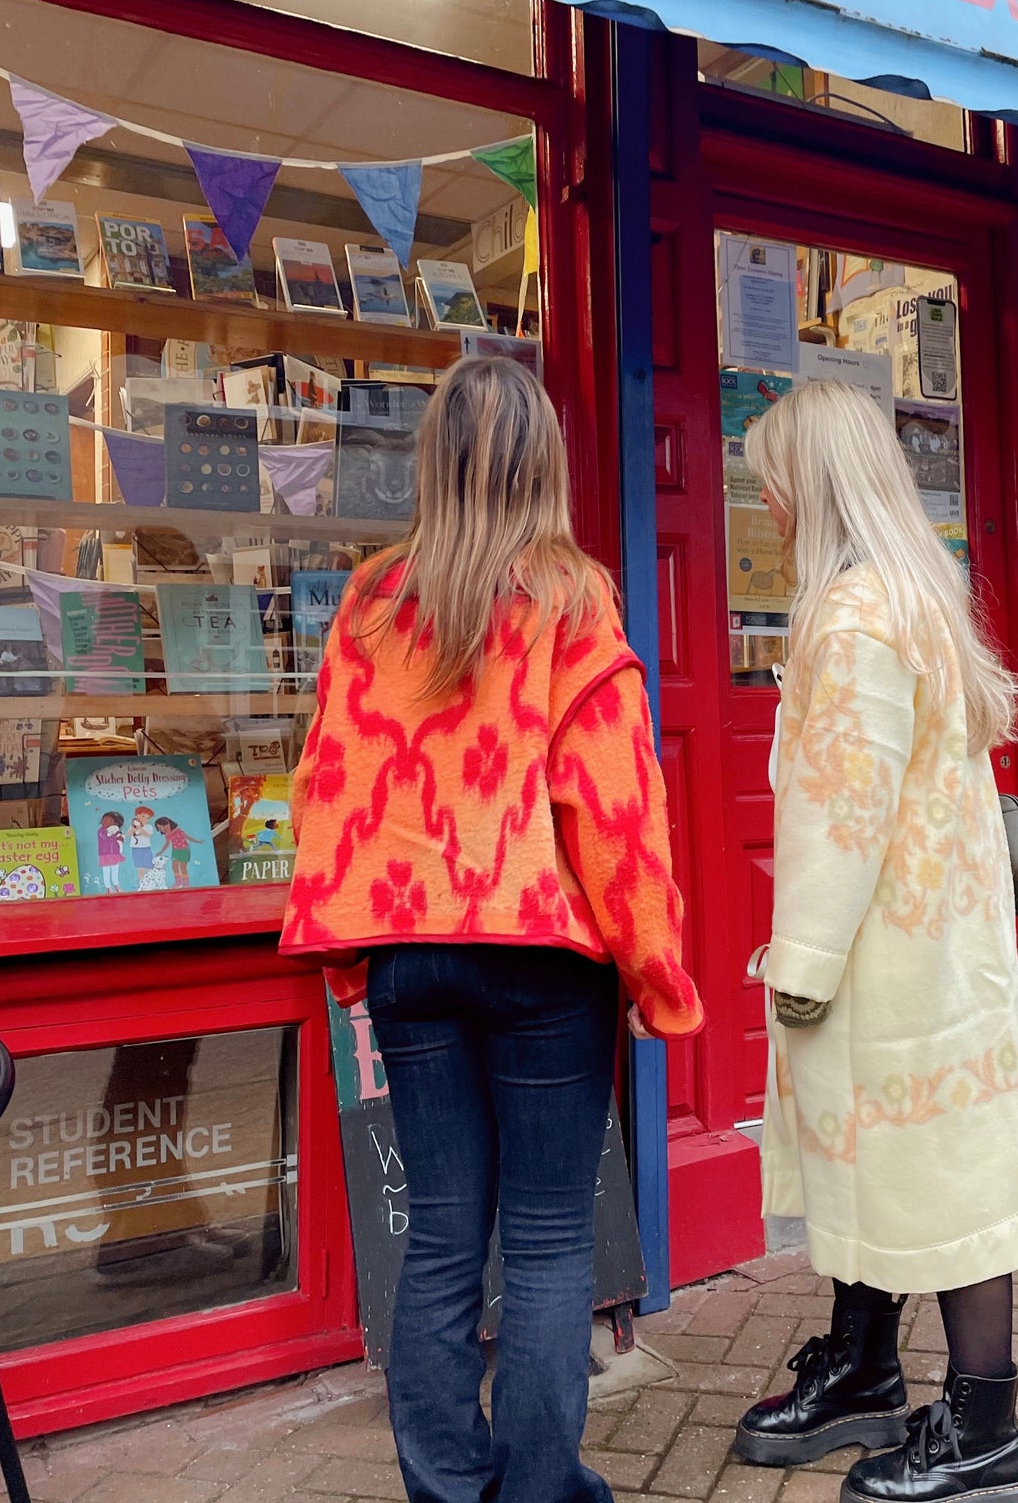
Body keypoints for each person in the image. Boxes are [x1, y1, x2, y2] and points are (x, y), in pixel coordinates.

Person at [280, 357, 703, 1503]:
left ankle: (448, 1490)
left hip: (411, 952)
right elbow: (614, 809)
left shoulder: (372, 601)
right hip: (538, 955)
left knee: (439, 1241)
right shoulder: (572, 597)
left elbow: (326, 787)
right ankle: (537, 1490)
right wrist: (657, 978)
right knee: (551, 1239)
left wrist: (346, 956)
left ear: (434, 462)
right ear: (542, 464)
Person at [733, 381, 1018, 1503]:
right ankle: (865, 1367)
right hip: (939, 946)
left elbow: (840, 816)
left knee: (943, 1186)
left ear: (809, 485)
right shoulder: (914, 595)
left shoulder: (850, 616)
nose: (765, 501)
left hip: (885, 959)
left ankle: (981, 1432)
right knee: (909, 1167)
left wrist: (800, 966)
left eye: (771, 478)